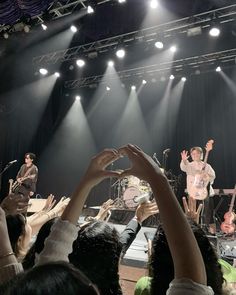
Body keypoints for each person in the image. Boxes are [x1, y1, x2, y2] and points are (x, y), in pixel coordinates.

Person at [180, 146, 216, 233]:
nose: (195, 155)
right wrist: (184, 160)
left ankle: (212, 234)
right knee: (193, 213)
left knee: (209, 214)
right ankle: (194, 232)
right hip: (193, 193)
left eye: (197, 153)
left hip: (205, 193)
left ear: (202, 154)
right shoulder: (190, 165)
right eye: (193, 154)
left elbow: (213, 177)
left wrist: (206, 175)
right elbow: (183, 167)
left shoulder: (207, 166)